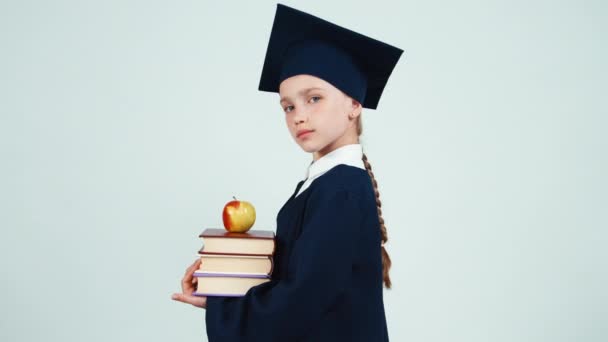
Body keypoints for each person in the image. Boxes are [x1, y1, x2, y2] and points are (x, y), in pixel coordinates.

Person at [171, 3, 404, 341]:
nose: (299, 116)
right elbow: (299, 283)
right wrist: (220, 289)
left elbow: (302, 300)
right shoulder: (325, 183)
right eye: (289, 106)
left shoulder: (341, 189)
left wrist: (224, 308)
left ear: (354, 104)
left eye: (314, 99)